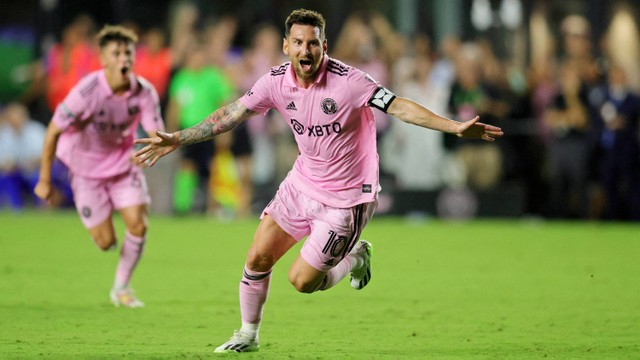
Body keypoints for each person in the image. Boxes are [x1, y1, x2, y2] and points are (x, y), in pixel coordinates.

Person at [135, 9, 503, 353]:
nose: (305, 50)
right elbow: (232, 113)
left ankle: (356, 255)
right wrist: (178, 138)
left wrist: (454, 126)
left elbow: (400, 106)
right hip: (302, 183)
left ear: (324, 46)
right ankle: (248, 334)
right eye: (298, 43)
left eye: (313, 43)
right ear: (286, 46)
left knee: (302, 282)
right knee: (258, 255)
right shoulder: (276, 82)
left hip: (347, 198)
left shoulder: (350, 82)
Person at [34, 25, 164, 308]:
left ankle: (121, 288)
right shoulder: (87, 91)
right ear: (103, 59)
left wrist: (156, 147)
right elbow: (54, 131)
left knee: (138, 225)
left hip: (121, 165)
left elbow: (156, 133)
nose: (123, 59)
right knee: (106, 242)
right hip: (85, 170)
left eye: (127, 53)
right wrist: (44, 180)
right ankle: (105, 235)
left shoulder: (144, 92)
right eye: (116, 53)